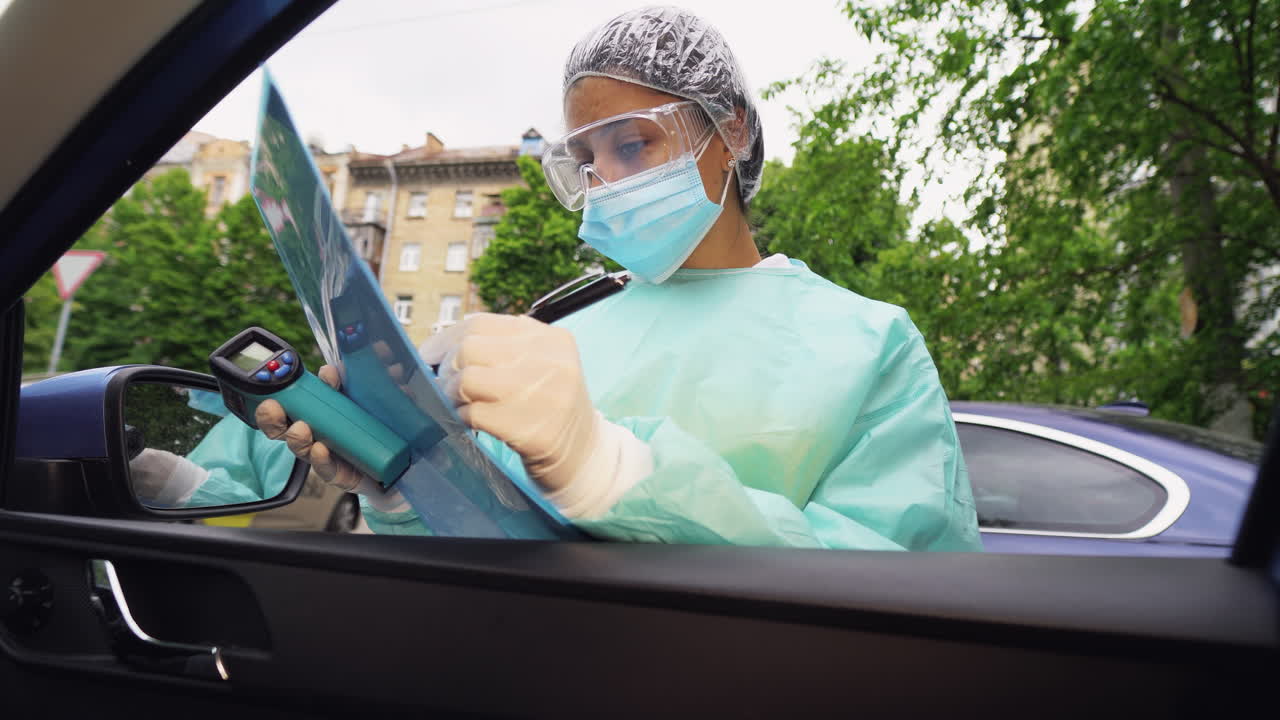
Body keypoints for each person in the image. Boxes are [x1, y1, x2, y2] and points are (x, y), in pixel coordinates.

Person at [259, 6, 982, 550]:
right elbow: (491, 560)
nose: (605, 182)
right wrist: (399, 485)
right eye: (587, 162)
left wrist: (613, 473)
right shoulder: (562, 334)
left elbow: (894, 583)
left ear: (730, 131)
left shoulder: (870, 344)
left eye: (632, 145)